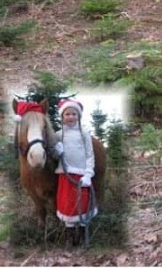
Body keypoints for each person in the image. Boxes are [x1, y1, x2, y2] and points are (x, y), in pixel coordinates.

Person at [53, 99, 97, 245]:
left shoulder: (84, 133)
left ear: (79, 116)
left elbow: (90, 154)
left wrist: (88, 174)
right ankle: (70, 236)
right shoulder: (58, 135)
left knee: (83, 204)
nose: (71, 117)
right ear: (62, 116)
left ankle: (83, 234)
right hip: (66, 176)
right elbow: (54, 157)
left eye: (74, 114)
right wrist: (56, 151)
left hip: (82, 176)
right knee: (68, 204)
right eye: (67, 114)